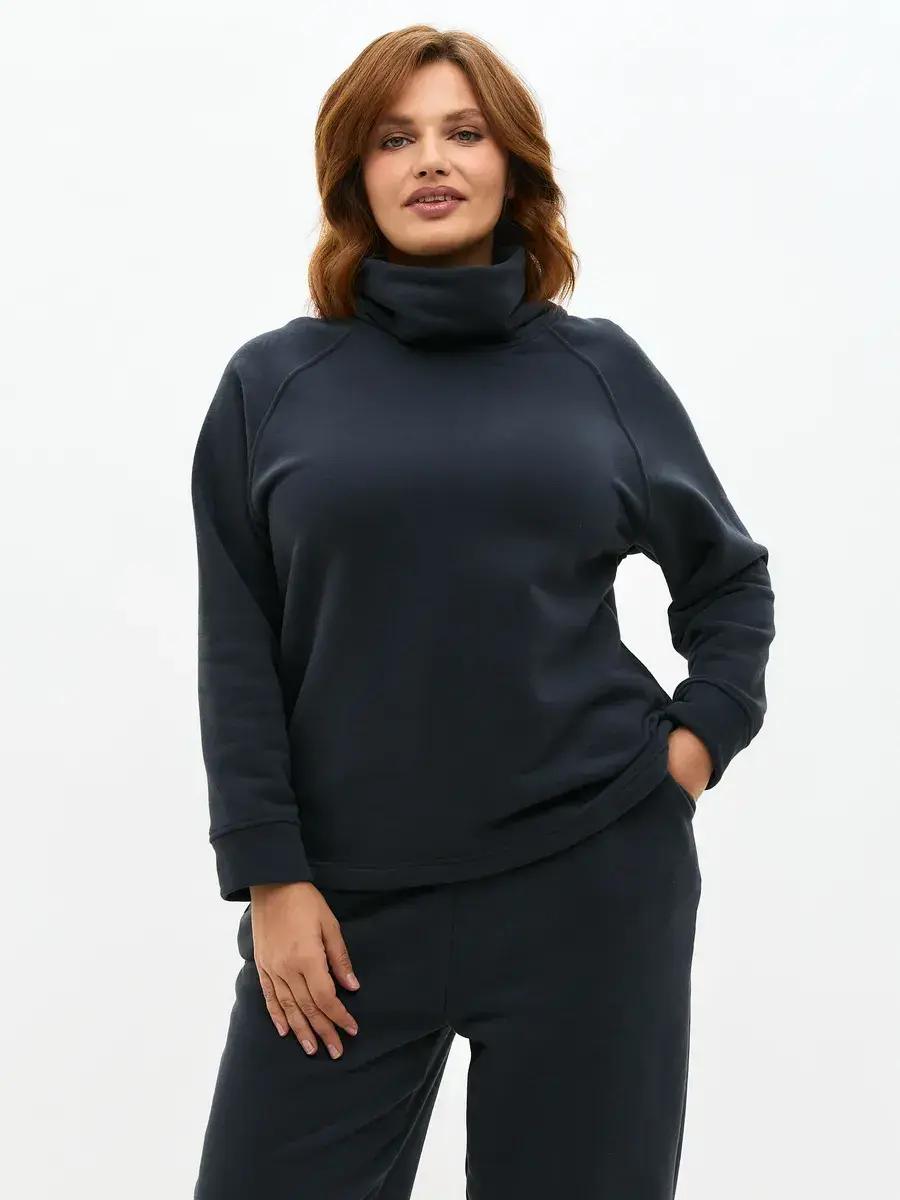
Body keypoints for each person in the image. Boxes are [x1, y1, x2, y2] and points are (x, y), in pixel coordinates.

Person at [189, 24, 776, 1200]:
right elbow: (238, 644)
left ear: (513, 165)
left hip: (588, 886)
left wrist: (692, 750)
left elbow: (728, 582)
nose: (431, 159)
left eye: (463, 132)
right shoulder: (272, 386)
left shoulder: (600, 373)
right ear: (354, 175)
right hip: (342, 912)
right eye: (394, 138)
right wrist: (269, 876)